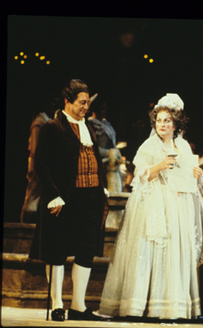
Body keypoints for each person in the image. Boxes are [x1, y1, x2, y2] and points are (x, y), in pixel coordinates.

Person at [99, 93, 203, 320]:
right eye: (159, 120)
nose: (163, 124)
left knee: (174, 253)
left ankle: (171, 307)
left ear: (176, 124)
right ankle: (142, 305)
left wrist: (196, 174)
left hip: (178, 204)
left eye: (167, 121)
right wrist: (159, 165)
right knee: (150, 251)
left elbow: (189, 176)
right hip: (154, 202)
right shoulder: (149, 145)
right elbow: (139, 175)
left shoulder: (182, 146)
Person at [28, 79, 109, 321]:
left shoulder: (88, 127)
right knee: (57, 250)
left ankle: (78, 305)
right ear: (68, 101)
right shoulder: (53, 127)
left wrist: (102, 188)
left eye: (87, 102)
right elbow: (40, 164)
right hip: (64, 198)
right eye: (82, 102)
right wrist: (53, 195)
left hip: (90, 197)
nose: (86, 107)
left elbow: (95, 158)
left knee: (86, 251)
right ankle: (56, 303)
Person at [20, 111, 51, 223]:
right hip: (37, 161)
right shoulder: (39, 122)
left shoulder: (47, 119)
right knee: (33, 193)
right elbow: (35, 147)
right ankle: (25, 225)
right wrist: (39, 165)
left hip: (43, 161)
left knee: (40, 194)